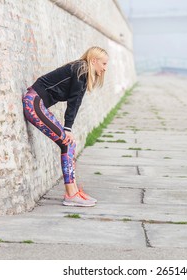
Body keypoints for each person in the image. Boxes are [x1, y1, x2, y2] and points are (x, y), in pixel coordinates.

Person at [22, 46, 109, 207]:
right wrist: (67, 129)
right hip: (34, 102)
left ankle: (74, 191)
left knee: (69, 144)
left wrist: (68, 129)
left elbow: (76, 101)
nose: (104, 69)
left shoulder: (81, 70)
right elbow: (74, 101)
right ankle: (71, 194)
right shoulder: (81, 69)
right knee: (67, 142)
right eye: (103, 64)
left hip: (37, 103)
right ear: (94, 61)